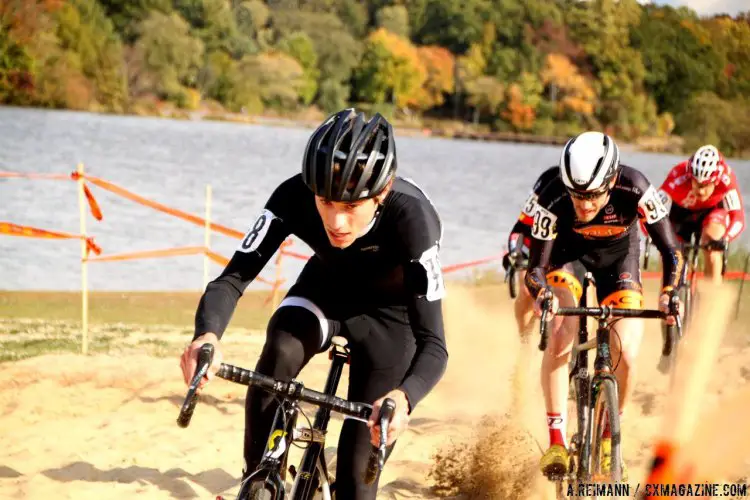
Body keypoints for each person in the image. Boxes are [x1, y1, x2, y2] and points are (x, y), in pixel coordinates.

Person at [179, 108, 449, 499]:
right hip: (325, 291)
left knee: (357, 485)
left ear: (381, 193)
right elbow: (232, 278)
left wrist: (403, 398)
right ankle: (258, 478)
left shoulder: (414, 221)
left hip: (391, 320)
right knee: (280, 350)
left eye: (352, 207)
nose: (336, 222)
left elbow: (435, 345)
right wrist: (206, 336)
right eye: (325, 202)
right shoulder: (294, 195)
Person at [525, 131, 683, 478]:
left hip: (619, 259)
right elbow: (535, 268)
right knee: (562, 329)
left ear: (612, 180)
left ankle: (612, 437)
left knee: (626, 351)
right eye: (576, 195)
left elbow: (672, 251)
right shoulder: (552, 196)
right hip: (568, 258)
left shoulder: (636, 187)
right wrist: (542, 295)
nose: (583, 205)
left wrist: (670, 291)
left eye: (593, 195)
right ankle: (556, 440)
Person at [657, 144, 744, 283]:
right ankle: (669, 299)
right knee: (671, 257)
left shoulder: (726, 179)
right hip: (681, 213)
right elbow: (651, 209)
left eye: (705, 185)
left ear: (715, 181)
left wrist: (725, 239)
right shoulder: (678, 174)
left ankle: (712, 296)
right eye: (696, 183)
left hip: (712, 211)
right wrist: (654, 235)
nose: (701, 191)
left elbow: (738, 219)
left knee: (712, 244)